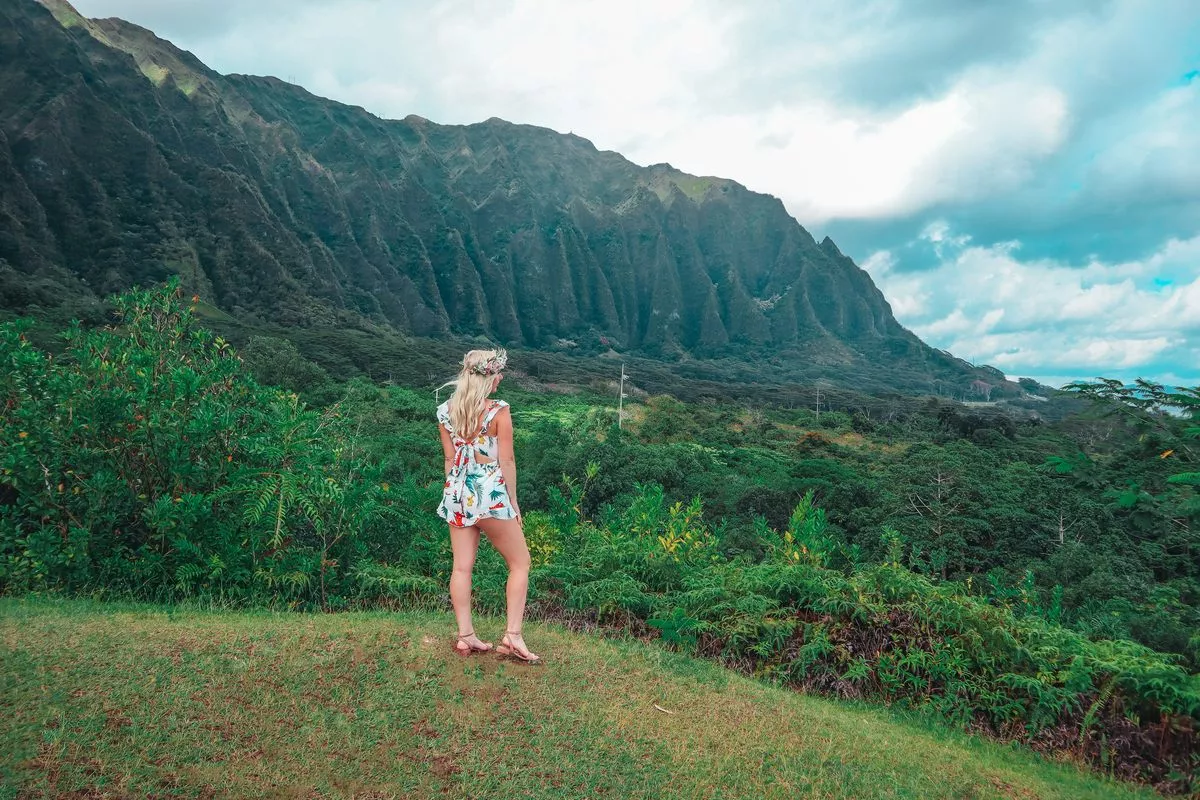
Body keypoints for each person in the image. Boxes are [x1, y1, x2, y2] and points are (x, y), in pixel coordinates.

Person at [436, 348, 540, 663]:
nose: (501, 378)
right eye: (498, 373)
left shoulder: (445, 411)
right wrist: (513, 501)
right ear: (488, 376)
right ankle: (512, 636)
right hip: (489, 494)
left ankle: (466, 636)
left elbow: (449, 459)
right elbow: (506, 460)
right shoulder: (498, 411)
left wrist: (456, 491)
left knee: (461, 567)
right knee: (520, 563)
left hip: (457, 493)